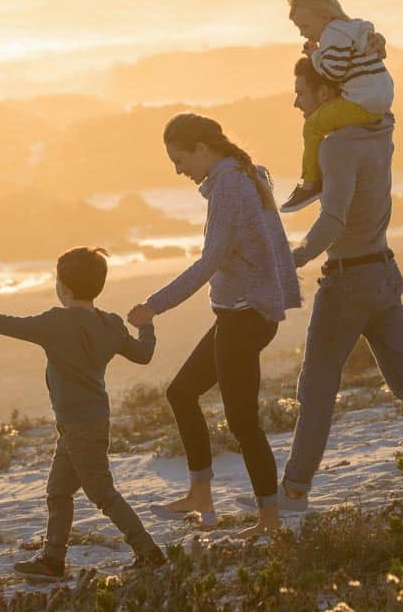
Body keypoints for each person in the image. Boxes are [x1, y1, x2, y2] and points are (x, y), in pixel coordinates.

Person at [243, 58, 403, 512]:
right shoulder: (380, 132)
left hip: (348, 281)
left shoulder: (335, 146)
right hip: (384, 274)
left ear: (327, 95)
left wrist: (293, 258)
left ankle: (293, 491)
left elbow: (332, 218)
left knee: (315, 388)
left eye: (301, 90)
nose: (295, 100)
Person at [127, 113, 300, 538]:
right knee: (181, 392)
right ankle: (201, 496)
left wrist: (154, 305)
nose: (178, 170)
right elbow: (270, 244)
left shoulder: (230, 184)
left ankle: (270, 521)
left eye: (179, 159)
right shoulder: (243, 174)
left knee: (242, 422)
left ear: (202, 149)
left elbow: (209, 261)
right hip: (245, 312)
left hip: (244, 315)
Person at [0, 246, 166, 579]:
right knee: (58, 491)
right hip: (85, 423)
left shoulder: (56, 322)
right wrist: (147, 326)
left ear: (63, 288)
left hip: (80, 426)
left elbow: (15, 326)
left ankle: (149, 552)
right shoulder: (110, 324)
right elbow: (143, 355)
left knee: (102, 494)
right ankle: (53, 561)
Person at [280, 0, 394, 213]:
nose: (302, 33)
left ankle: (310, 184)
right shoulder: (352, 29)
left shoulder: (332, 34)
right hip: (382, 95)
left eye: (305, 26)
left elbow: (335, 71)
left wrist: (315, 56)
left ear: (325, 16)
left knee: (312, 126)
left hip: (364, 101)